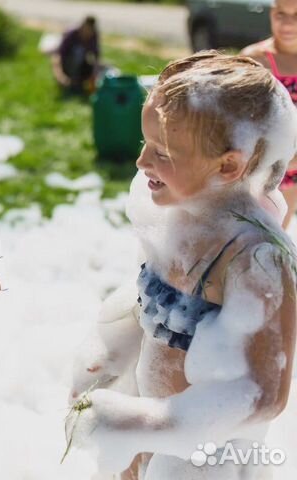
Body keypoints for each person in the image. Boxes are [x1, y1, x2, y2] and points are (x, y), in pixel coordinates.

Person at [67, 52, 297, 479]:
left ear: (228, 165)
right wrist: (109, 356)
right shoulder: (177, 217)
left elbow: (261, 395)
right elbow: (148, 306)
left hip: (210, 459)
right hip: (154, 435)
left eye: (163, 152)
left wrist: (137, 425)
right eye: (144, 144)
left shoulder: (256, 258)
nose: (141, 163)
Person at [242, 0, 297, 228]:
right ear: (272, 13)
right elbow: (240, 120)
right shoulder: (256, 60)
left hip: (292, 166)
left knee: (278, 241)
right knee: (261, 233)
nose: (288, 23)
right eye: (281, 14)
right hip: (265, 165)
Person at [52, 16, 100, 95]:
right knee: (78, 54)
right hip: (67, 64)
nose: (87, 33)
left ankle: (80, 83)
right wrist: (60, 76)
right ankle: (71, 83)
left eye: (90, 31)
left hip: (81, 65)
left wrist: (95, 73)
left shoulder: (93, 36)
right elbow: (57, 56)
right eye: (86, 29)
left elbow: (97, 58)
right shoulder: (72, 34)